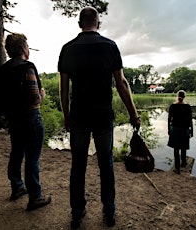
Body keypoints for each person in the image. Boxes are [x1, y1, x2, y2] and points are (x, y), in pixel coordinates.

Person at [58, 6, 141, 229]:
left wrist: (67, 117)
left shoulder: (68, 49)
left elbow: (64, 90)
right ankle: (109, 211)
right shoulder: (110, 46)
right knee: (106, 164)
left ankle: (77, 212)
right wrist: (133, 113)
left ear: (79, 24)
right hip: (104, 117)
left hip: (79, 117)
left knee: (78, 165)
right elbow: (122, 83)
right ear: (99, 23)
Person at [0, 33, 51, 211]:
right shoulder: (27, 67)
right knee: (32, 158)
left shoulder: (3, 69)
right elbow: (34, 98)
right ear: (24, 48)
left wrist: (5, 105)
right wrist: (42, 95)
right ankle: (35, 197)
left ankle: (17, 187)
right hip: (31, 118)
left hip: (14, 119)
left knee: (17, 153)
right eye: (27, 46)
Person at [167, 90, 193, 174]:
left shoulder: (172, 106)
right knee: (183, 147)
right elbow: (190, 120)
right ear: (184, 96)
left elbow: (169, 119)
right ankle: (184, 162)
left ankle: (177, 168)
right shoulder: (188, 106)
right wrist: (191, 131)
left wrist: (168, 129)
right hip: (184, 129)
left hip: (175, 129)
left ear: (177, 96)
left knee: (176, 148)